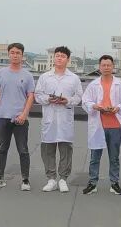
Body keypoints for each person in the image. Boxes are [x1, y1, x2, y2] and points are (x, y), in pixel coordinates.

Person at [35, 46, 83, 194]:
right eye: (57, 55)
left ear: (68, 59)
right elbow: (38, 95)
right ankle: (51, 179)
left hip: (65, 118)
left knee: (65, 149)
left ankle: (63, 179)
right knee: (47, 149)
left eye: (63, 56)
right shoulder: (45, 77)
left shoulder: (74, 78)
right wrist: (48, 99)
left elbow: (79, 97)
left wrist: (67, 100)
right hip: (49, 118)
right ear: (54, 58)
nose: (59, 58)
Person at [82, 55, 121, 195]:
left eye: (108, 65)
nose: (106, 68)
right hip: (98, 125)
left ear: (113, 67)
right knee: (95, 157)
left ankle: (114, 183)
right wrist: (95, 106)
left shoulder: (119, 84)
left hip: (115, 125)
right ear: (99, 67)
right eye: (103, 65)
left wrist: (117, 108)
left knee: (114, 157)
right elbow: (85, 101)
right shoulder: (93, 85)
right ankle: (92, 183)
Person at [0, 42, 35, 191]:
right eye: (12, 53)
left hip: (21, 118)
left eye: (18, 53)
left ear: (22, 56)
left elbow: (30, 96)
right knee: (2, 148)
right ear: (9, 54)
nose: (15, 55)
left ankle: (25, 179)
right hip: (3, 116)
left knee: (23, 149)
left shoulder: (27, 75)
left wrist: (24, 114)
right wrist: (2, 104)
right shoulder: (1, 73)